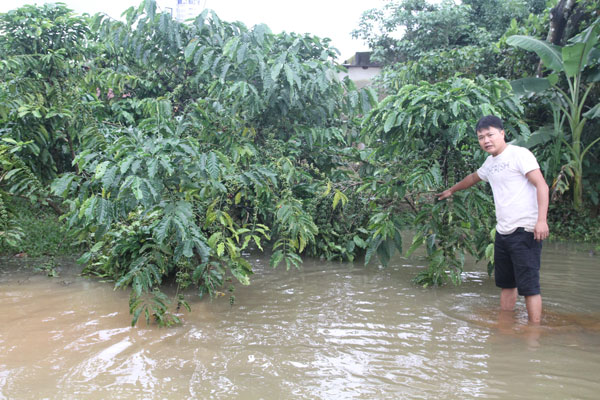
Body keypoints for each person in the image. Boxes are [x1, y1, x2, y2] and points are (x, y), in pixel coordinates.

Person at [437, 115, 549, 324]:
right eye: (481, 137)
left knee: (529, 286)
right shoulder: (490, 162)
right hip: (503, 232)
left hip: (525, 229)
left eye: (490, 135)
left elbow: (541, 185)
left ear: (502, 133)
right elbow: (473, 178)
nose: (486, 140)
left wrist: (541, 220)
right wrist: (451, 190)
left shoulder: (519, 155)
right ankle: (505, 327)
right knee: (507, 284)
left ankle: (535, 331)